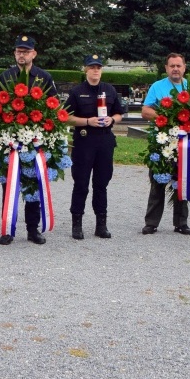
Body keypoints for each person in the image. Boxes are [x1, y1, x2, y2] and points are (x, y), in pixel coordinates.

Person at [0, 35, 57, 245]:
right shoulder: (5, 76)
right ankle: (8, 229)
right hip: (11, 141)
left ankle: (33, 229)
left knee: (33, 184)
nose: (21, 55)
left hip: (34, 140)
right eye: (18, 51)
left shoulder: (44, 77)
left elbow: (53, 106)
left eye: (26, 51)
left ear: (34, 54)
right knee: (9, 184)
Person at [64, 55, 124, 240]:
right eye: (92, 67)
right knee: (81, 183)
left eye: (98, 67)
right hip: (84, 141)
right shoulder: (77, 91)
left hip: (104, 141)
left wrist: (112, 119)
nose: (95, 70)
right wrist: (87, 121)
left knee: (101, 184)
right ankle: (77, 224)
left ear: (102, 70)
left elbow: (119, 113)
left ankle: (101, 224)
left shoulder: (110, 90)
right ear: (86, 70)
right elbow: (65, 116)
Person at [141, 53, 190, 236]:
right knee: (157, 183)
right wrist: (166, 119)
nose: (175, 69)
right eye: (172, 66)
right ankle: (151, 223)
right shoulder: (157, 87)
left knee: (183, 182)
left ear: (184, 67)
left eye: (179, 65)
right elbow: (146, 111)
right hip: (162, 143)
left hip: (185, 144)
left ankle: (181, 223)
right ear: (166, 68)